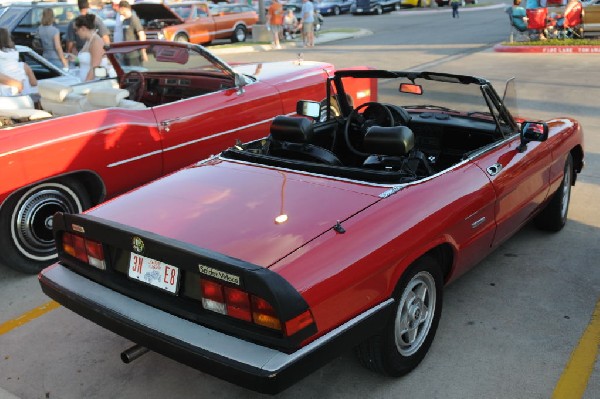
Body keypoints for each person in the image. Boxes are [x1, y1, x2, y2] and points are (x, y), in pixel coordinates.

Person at [73, 14, 112, 82]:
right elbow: (86, 61)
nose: (76, 33)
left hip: (93, 84)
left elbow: (94, 67)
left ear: (83, 28)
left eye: (76, 30)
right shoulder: (88, 41)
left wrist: (84, 85)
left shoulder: (96, 41)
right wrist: (75, 59)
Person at [0, 28, 37, 95]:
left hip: (6, 94)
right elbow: (34, 83)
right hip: (22, 95)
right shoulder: (15, 55)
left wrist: (17, 84)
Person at [118, 1, 147, 65]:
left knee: (135, 72)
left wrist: (143, 51)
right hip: (125, 53)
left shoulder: (134, 19)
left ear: (124, 8)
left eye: (119, 8)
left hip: (134, 54)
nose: (118, 10)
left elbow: (141, 35)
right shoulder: (124, 20)